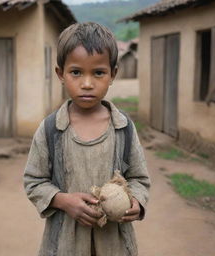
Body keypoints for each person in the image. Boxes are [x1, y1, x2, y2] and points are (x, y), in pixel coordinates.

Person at [24, 22, 150, 256]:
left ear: (113, 74)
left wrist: (137, 203)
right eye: (76, 72)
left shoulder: (124, 128)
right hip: (64, 245)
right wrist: (63, 201)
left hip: (115, 244)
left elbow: (139, 179)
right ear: (60, 74)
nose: (87, 83)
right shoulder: (50, 130)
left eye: (99, 72)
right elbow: (34, 182)